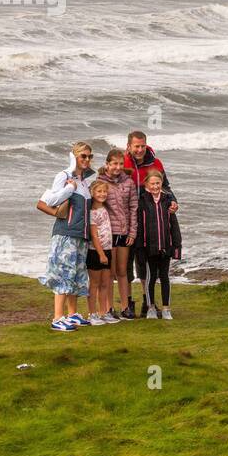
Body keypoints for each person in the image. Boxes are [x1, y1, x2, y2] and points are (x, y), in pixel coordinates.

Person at [38, 142, 97, 331]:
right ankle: (57, 318)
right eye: (83, 156)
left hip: (81, 236)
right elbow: (49, 201)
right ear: (74, 157)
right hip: (66, 234)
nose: (87, 160)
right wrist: (69, 189)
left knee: (77, 275)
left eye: (89, 156)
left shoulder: (85, 181)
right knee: (63, 273)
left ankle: (72, 314)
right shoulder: (64, 176)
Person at [123, 131, 178, 317]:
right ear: (128, 146)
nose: (139, 149)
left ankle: (148, 303)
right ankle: (128, 302)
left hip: (150, 223)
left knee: (144, 264)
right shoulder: (123, 164)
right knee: (127, 263)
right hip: (127, 220)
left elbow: (166, 187)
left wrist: (173, 201)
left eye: (142, 146)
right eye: (136, 146)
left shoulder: (156, 163)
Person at [99, 148, 139, 319]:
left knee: (122, 271)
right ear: (107, 164)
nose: (118, 167)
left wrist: (132, 232)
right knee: (109, 272)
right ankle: (108, 308)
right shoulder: (100, 183)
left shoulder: (128, 182)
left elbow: (133, 208)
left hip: (124, 233)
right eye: (114, 163)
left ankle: (125, 307)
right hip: (108, 234)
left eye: (120, 164)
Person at [137, 168, 181, 320]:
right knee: (150, 278)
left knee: (165, 278)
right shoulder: (142, 201)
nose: (155, 186)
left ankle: (166, 308)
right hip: (149, 248)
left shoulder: (168, 200)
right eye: (152, 183)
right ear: (146, 184)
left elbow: (174, 226)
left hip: (165, 248)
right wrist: (140, 249)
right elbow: (140, 227)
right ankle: (150, 308)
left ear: (162, 183)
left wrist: (176, 247)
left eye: (158, 183)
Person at [86, 179, 116, 324]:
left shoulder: (105, 209)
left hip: (107, 250)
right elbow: (94, 235)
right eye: (99, 191)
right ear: (92, 193)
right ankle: (92, 314)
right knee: (94, 284)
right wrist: (101, 254)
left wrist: (106, 252)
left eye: (105, 191)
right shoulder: (92, 212)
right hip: (95, 252)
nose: (102, 194)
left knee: (105, 284)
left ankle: (103, 312)